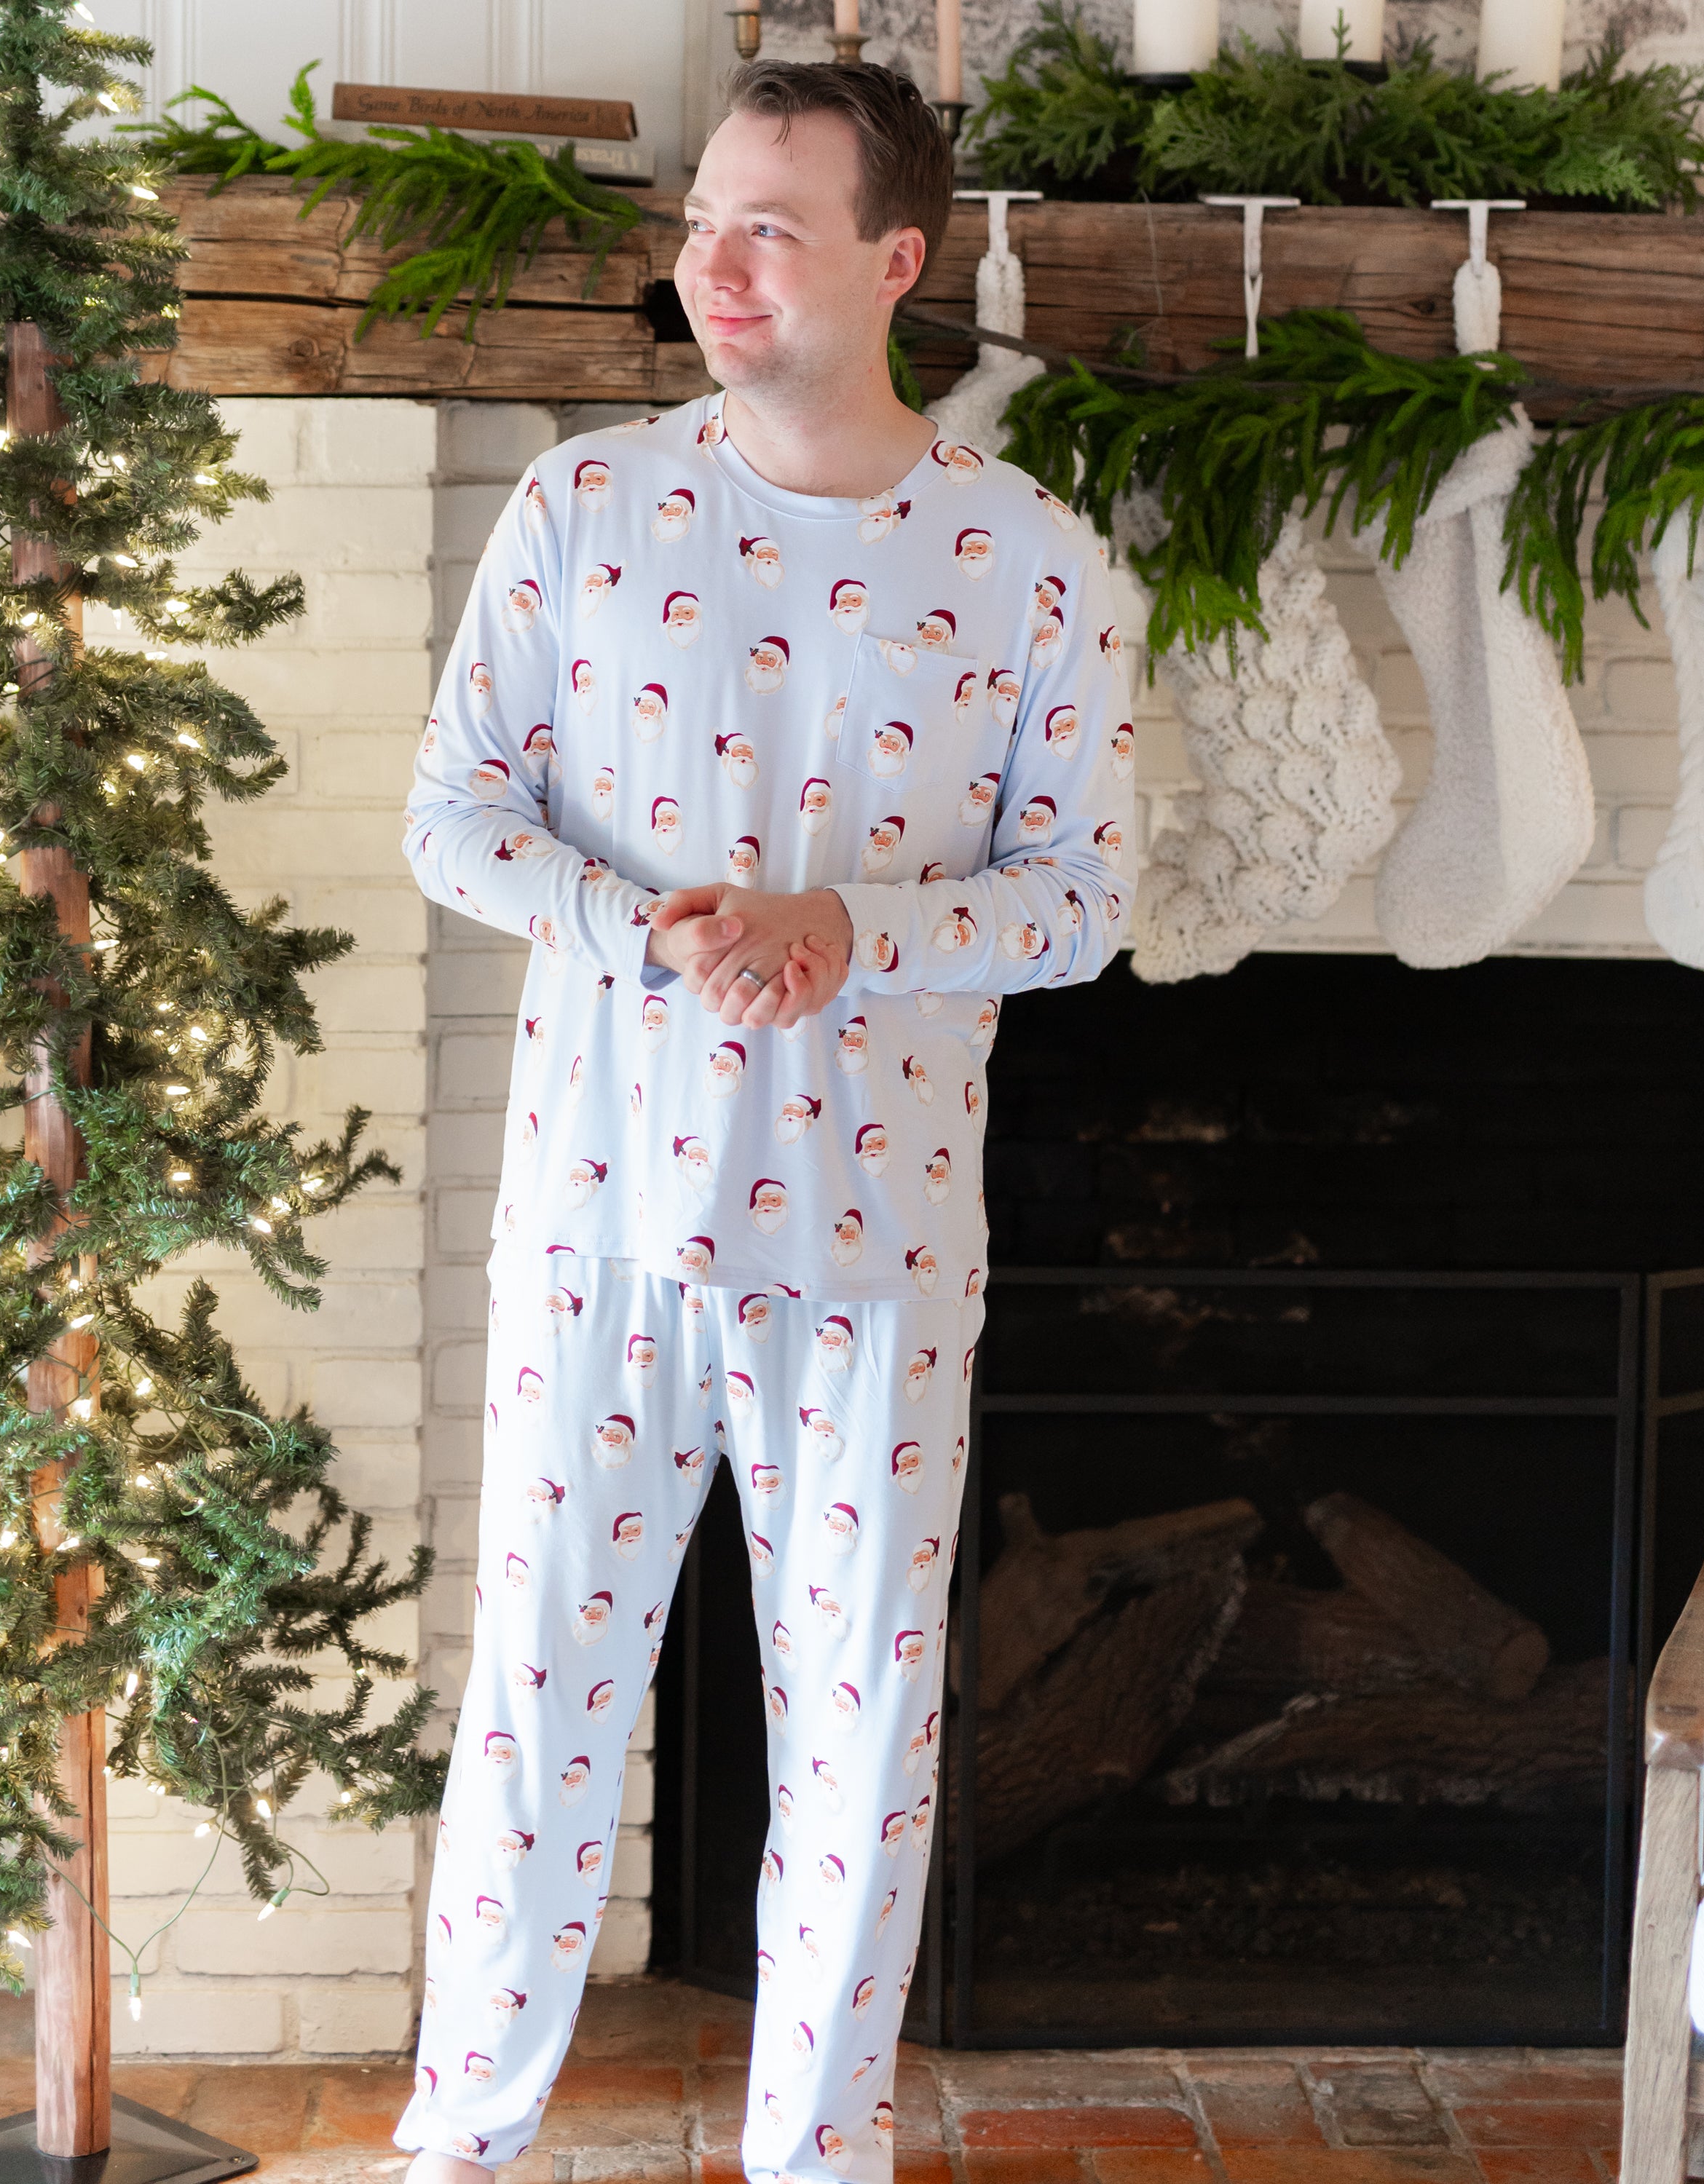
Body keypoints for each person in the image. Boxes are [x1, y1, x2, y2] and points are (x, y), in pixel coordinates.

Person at [392, 55, 1136, 2184]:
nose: (710, 263)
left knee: (863, 1745)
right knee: (540, 1723)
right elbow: (452, 817)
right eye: (703, 219)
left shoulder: (1028, 561)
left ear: (899, 264)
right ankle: (460, 2145)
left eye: (769, 228)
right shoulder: (584, 511)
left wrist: (855, 933)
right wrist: (643, 930)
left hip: (878, 1256)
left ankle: (819, 2159)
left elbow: (1084, 902)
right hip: (598, 1229)